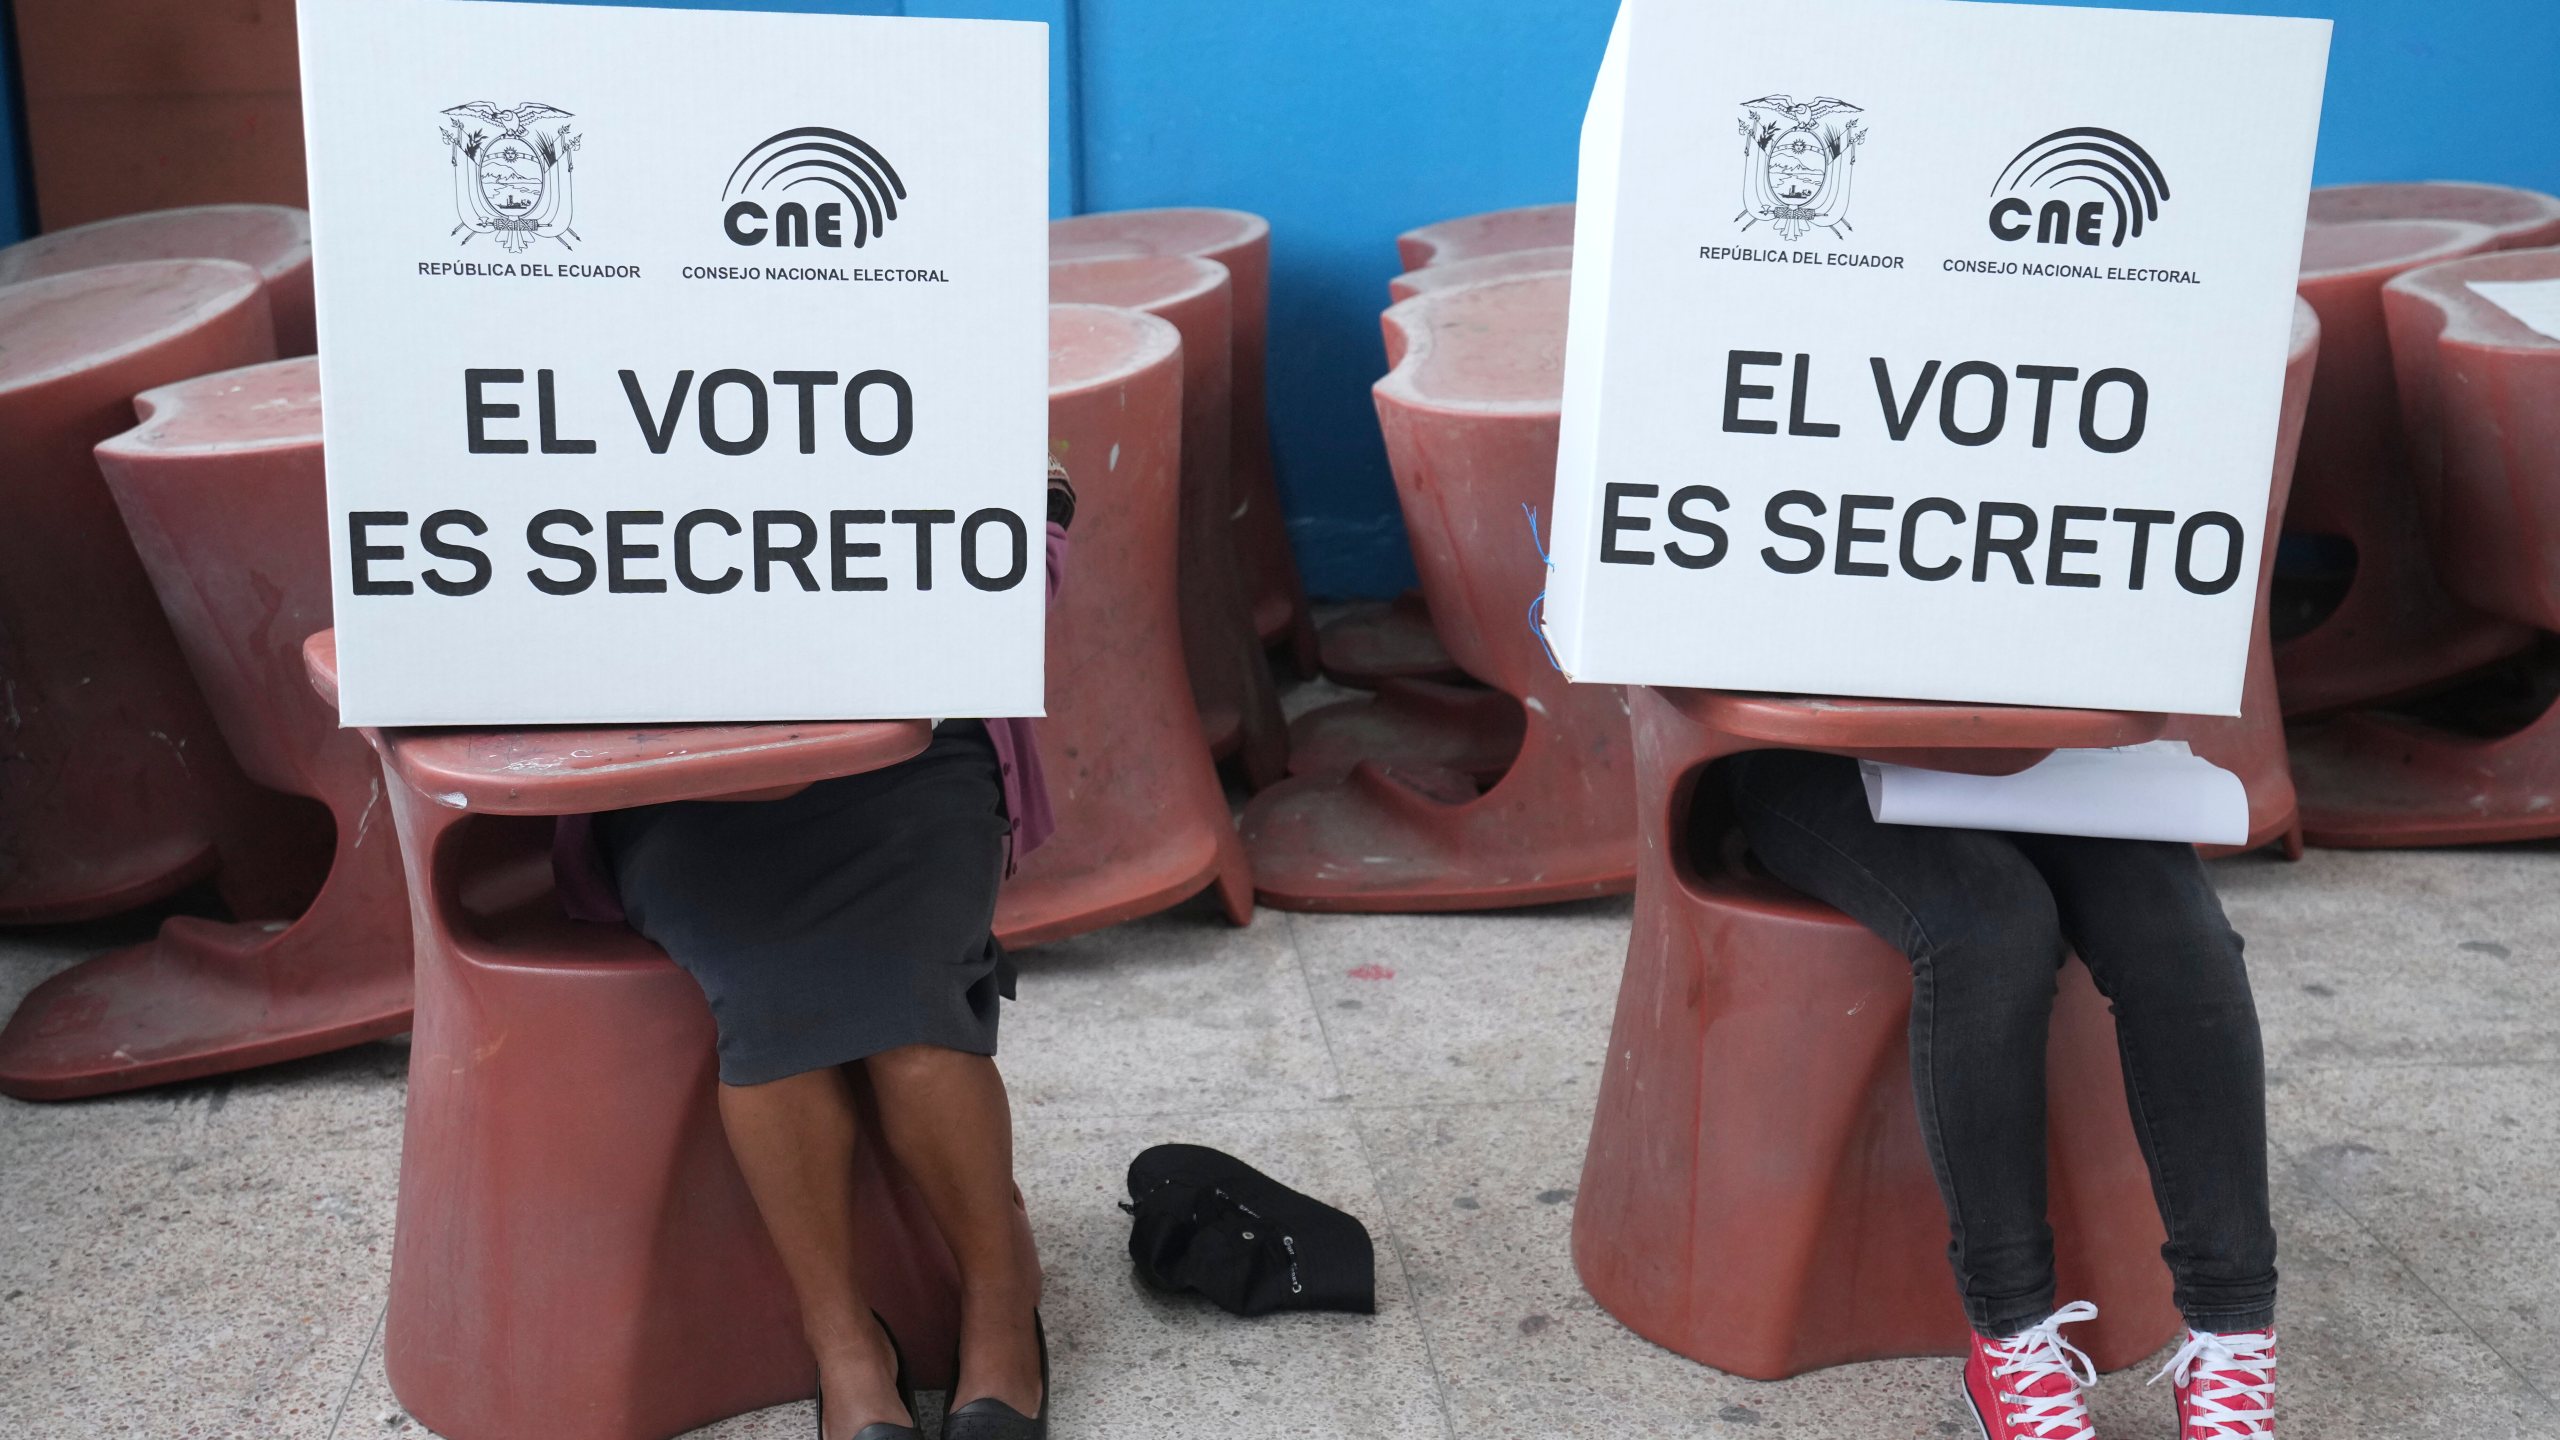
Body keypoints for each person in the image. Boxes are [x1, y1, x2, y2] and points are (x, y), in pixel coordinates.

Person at [552, 460, 1078, 1440]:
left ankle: (1001, 1307)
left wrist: (1024, 513)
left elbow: (1024, 568)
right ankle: (843, 1341)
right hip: (679, 782)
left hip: (906, 756)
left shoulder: (896, 329)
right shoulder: (570, 369)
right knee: (767, 1009)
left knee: (914, 1015)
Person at [1720, 748, 2276, 1440]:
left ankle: (2233, 1335)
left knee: (2181, 942)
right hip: (1823, 751)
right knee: (1992, 928)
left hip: (2044, 745)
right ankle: (2012, 1343)